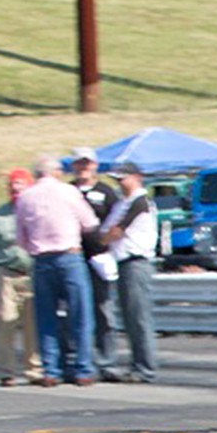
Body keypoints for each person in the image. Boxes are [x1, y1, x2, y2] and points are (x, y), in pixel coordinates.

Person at [12, 154, 100, 386]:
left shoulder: (25, 197)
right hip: (69, 255)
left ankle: (51, 370)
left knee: (46, 318)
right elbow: (90, 223)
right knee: (80, 315)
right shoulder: (69, 192)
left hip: (41, 259)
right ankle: (83, 368)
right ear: (56, 172)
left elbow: (20, 238)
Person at [0, 168, 43, 387]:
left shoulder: (38, 212)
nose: (15, 188)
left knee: (33, 324)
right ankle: (6, 371)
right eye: (12, 185)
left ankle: (35, 369)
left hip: (33, 273)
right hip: (7, 274)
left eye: (20, 184)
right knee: (6, 321)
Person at [100, 165, 160, 381]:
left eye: (123, 179)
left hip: (135, 262)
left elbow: (115, 231)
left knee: (138, 317)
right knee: (129, 317)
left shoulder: (139, 202)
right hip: (122, 262)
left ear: (137, 178)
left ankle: (145, 368)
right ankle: (138, 364)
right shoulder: (122, 202)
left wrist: (102, 240)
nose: (119, 183)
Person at [68, 148, 122, 369]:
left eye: (87, 163)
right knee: (73, 309)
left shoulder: (106, 192)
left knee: (103, 308)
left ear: (95, 166)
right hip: (72, 257)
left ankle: (106, 358)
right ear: (73, 166)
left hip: (98, 258)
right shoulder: (67, 191)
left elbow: (116, 222)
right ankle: (76, 357)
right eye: (79, 164)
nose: (83, 168)